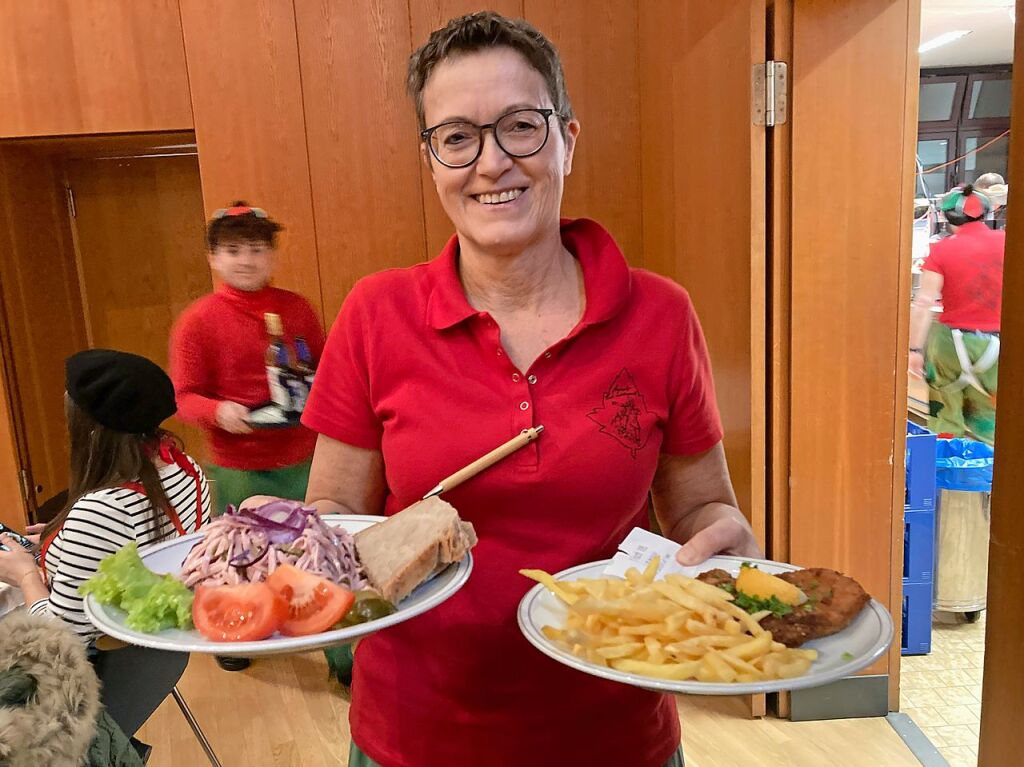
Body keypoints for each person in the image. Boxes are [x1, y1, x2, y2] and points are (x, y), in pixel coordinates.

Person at [299, 12, 760, 767]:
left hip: (616, 735)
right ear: (432, 158)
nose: (491, 162)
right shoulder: (376, 313)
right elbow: (334, 515)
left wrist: (724, 538)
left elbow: (702, 504)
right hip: (415, 737)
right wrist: (282, 539)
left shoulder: (661, 313)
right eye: (457, 137)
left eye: (520, 125)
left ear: (567, 139)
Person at [0, 349, 210, 642]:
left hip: (98, 674)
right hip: (158, 656)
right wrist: (63, 540)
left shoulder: (102, 509)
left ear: (89, 430)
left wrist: (25, 576)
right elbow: (139, 546)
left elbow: (60, 642)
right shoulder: (188, 471)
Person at [169, 203, 325, 515]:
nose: (246, 260)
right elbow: (182, 397)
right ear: (213, 258)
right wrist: (217, 411)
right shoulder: (197, 320)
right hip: (238, 467)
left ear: (272, 255)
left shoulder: (298, 308)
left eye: (256, 250)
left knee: (312, 549)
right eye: (233, 250)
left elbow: (327, 372)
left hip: (306, 458)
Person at [910, 185, 1005, 444]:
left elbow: (924, 301)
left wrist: (915, 350)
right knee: (992, 422)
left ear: (947, 217)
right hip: (998, 346)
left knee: (945, 419)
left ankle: (943, 475)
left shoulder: (942, 251)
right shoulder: (1008, 242)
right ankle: (989, 480)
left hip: (950, 345)